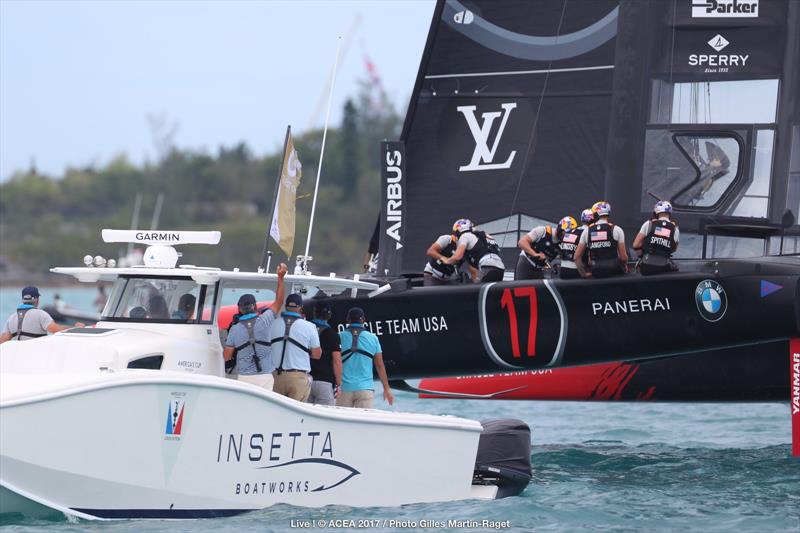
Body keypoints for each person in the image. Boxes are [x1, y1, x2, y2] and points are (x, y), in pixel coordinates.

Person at [222, 263, 288, 390]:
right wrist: (280, 277)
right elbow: (279, 300)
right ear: (255, 307)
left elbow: (226, 356)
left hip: (245, 377)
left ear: (239, 310)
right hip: (265, 376)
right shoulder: (265, 319)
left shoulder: (234, 329)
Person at [337, 307, 394, 408]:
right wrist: (386, 388)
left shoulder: (339, 337)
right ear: (363, 320)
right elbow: (380, 366)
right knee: (363, 422)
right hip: (365, 389)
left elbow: (334, 361)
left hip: (344, 389)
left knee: (343, 423)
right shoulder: (373, 338)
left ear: (348, 320)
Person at [269, 293, 321, 402]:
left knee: (277, 413)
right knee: (298, 415)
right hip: (298, 378)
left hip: (275, 377)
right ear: (301, 308)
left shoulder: (272, 323)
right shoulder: (309, 326)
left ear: (286, 306)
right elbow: (317, 355)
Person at [0, 286, 82, 344]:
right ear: (37, 300)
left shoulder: (11, 318)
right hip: (36, 356)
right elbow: (57, 330)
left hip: (19, 358)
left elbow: (2, 342)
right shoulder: (40, 314)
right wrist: (75, 328)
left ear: (23, 300)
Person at [574, 201, 629, 279]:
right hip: (614, 272)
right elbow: (624, 258)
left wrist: (583, 274)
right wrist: (624, 266)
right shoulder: (617, 229)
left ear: (596, 214)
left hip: (596, 271)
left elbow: (576, 257)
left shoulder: (587, 231)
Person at [442, 219, 505, 283]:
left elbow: (457, 257)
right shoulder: (483, 235)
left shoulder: (465, 236)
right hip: (500, 267)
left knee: (477, 291)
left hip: (487, 266)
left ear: (459, 230)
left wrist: (446, 260)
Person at [308, 302, 342, 406]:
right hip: (324, 381)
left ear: (314, 313)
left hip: (306, 380)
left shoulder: (305, 329)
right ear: (329, 315)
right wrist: (339, 384)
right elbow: (337, 361)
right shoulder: (333, 335)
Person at [633, 200, 680, 275]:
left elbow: (636, 245)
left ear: (656, 212)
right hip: (664, 268)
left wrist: (642, 255)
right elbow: (674, 249)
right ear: (670, 213)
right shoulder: (675, 229)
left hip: (646, 267)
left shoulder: (648, 224)